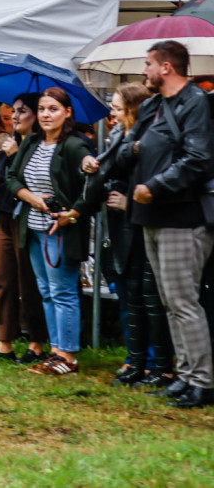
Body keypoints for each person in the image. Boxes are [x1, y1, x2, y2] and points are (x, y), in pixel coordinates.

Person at [115, 41, 214, 408]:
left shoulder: (195, 102)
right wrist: (137, 150)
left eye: (148, 65)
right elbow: (128, 148)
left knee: (184, 301)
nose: (144, 72)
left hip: (181, 216)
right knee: (171, 302)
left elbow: (199, 159)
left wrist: (155, 187)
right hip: (151, 216)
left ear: (167, 67)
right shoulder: (154, 105)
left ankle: (202, 382)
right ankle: (185, 376)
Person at [83, 82, 175, 388]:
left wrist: (129, 203)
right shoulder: (116, 136)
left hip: (145, 224)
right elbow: (106, 177)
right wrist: (92, 167)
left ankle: (159, 366)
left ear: (133, 110)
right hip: (122, 228)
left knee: (150, 299)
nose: (111, 112)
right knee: (131, 296)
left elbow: (153, 182)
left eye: (117, 107)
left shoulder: (152, 139)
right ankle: (136, 362)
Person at [7, 87, 92, 376]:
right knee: (45, 291)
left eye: (53, 109)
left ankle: (67, 357)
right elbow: (12, 177)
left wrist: (74, 213)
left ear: (68, 112)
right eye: (42, 108)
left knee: (63, 292)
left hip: (60, 229)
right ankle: (56, 351)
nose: (45, 114)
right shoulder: (31, 141)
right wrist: (31, 198)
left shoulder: (74, 145)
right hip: (32, 227)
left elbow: (93, 186)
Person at [0, 94, 48, 364]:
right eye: (13, 110)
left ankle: (36, 342)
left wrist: (15, 156)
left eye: (22, 111)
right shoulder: (9, 144)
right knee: (1, 281)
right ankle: (4, 341)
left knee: (28, 282)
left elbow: (31, 182)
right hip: (4, 216)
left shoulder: (40, 146)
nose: (15, 116)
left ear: (35, 116)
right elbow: (5, 179)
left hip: (28, 218)